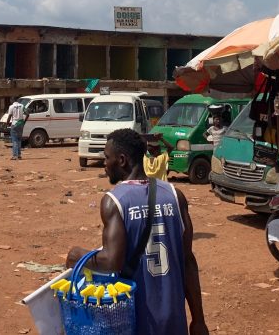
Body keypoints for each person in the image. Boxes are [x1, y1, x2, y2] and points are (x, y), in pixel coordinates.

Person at [66, 129, 209, 335]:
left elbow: (111, 261)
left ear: (122, 160)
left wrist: (77, 255)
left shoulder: (114, 201)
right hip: (174, 321)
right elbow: (188, 262)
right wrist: (198, 320)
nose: (104, 164)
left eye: (107, 157)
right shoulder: (175, 196)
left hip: (136, 321)